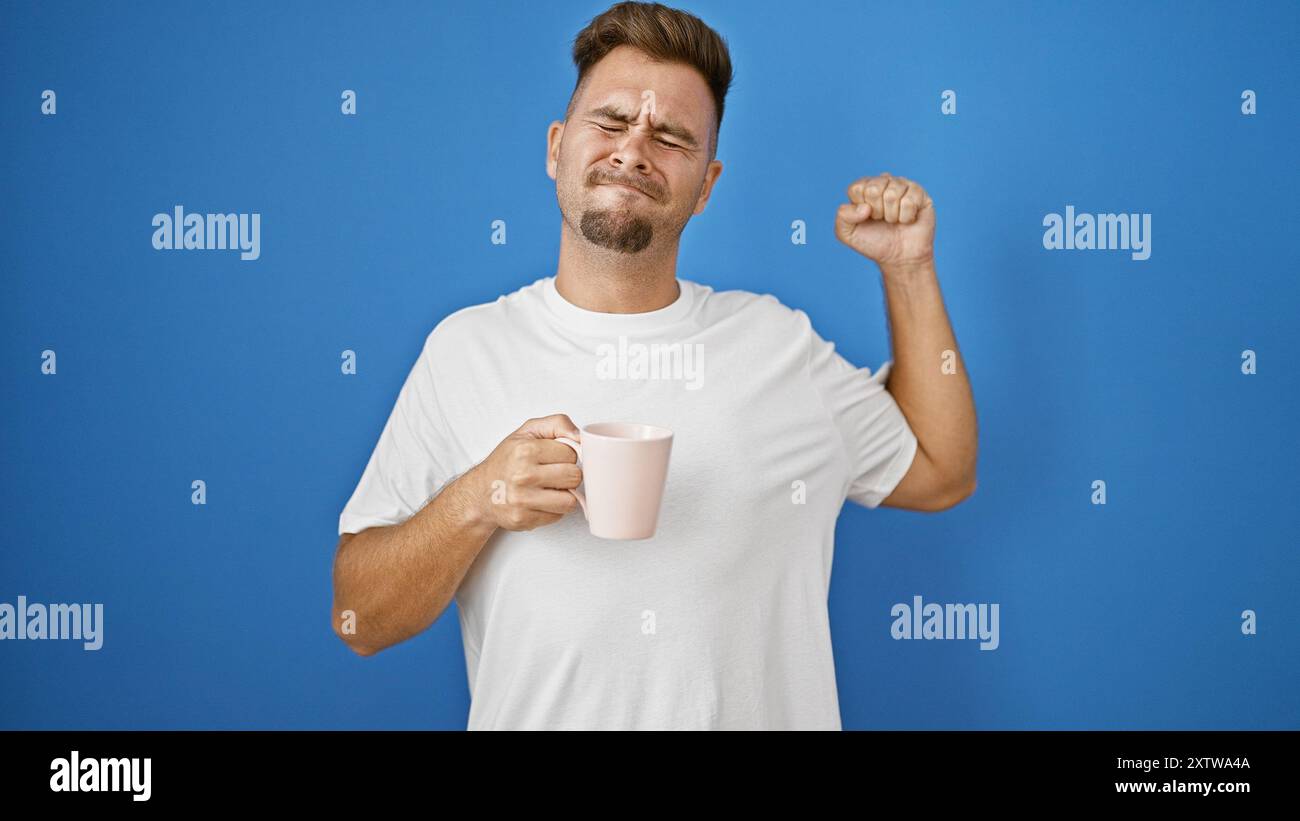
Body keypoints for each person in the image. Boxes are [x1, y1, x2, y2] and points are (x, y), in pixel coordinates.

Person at [331, 0, 977, 730]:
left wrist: (910, 268)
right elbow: (359, 617)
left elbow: (941, 468)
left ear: (707, 186)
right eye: (610, 122)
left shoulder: (777, 344)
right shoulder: (464, 350)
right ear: (555, 147)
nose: (633, 150)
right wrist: (474, 500)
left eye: (670, 137)